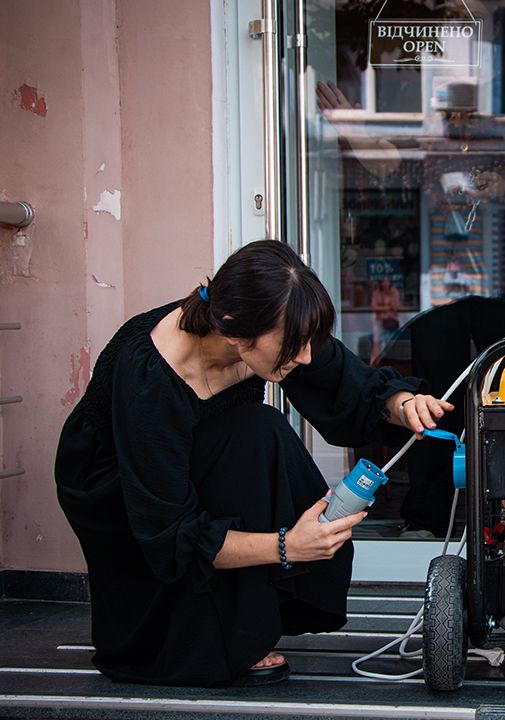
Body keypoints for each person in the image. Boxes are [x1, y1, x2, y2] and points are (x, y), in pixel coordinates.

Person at [54, 240, 452, 687]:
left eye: (308, 342)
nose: (304, 357)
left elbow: (348, 383)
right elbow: (169, 532)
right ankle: (185, 642)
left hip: (197, 454)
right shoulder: (151, 376)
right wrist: (288, 546)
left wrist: (404, 404)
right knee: (252, 435)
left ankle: (245, 622)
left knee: (256, 431)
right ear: (233, 332)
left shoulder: (269, 330)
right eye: (293, 345)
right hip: (116, 483)